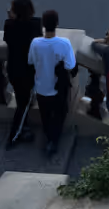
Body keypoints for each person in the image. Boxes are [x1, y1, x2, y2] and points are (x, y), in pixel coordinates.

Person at [28, 10, 77, 156]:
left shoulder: (35, 43)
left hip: (41, 87)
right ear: (57, 24)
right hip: (58, 88)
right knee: (60, 114)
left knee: (45, 115)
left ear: (43, 24)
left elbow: (30, 61)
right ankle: (53, 141)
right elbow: (70, 65)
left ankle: (49, 137)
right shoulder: (64, 43)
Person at [3, 0, 43, 149]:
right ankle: (15, 134)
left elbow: (8, 39)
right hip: (29, 70)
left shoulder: (9, 24)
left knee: (21, 100)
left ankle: (22, 128)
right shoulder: (35, 24)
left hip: (14, 68)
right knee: (23, 103)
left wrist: (11, 18)